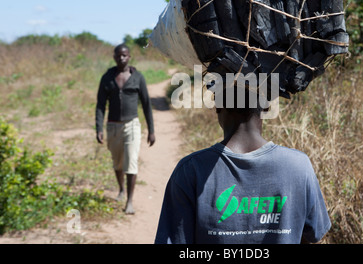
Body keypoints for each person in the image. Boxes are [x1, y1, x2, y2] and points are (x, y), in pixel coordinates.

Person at [154, 82, 330, 243]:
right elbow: (312, 235)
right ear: (267, 106)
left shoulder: (190, 170)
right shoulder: (299, 166)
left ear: (217, 106)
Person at [95, 44, 155, 214]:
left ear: (129, 57)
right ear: (114, 57)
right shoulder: (107, 77)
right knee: (118, 162)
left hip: (132, 126)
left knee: (131, 163)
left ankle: (129, 201)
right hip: (112, 126)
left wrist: (151, 130)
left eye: (124, 55)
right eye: (118, 55)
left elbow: (146, 105)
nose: (121, 58)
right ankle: (121, 188)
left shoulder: (138, 78)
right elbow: (100, 105)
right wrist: (98, 128)